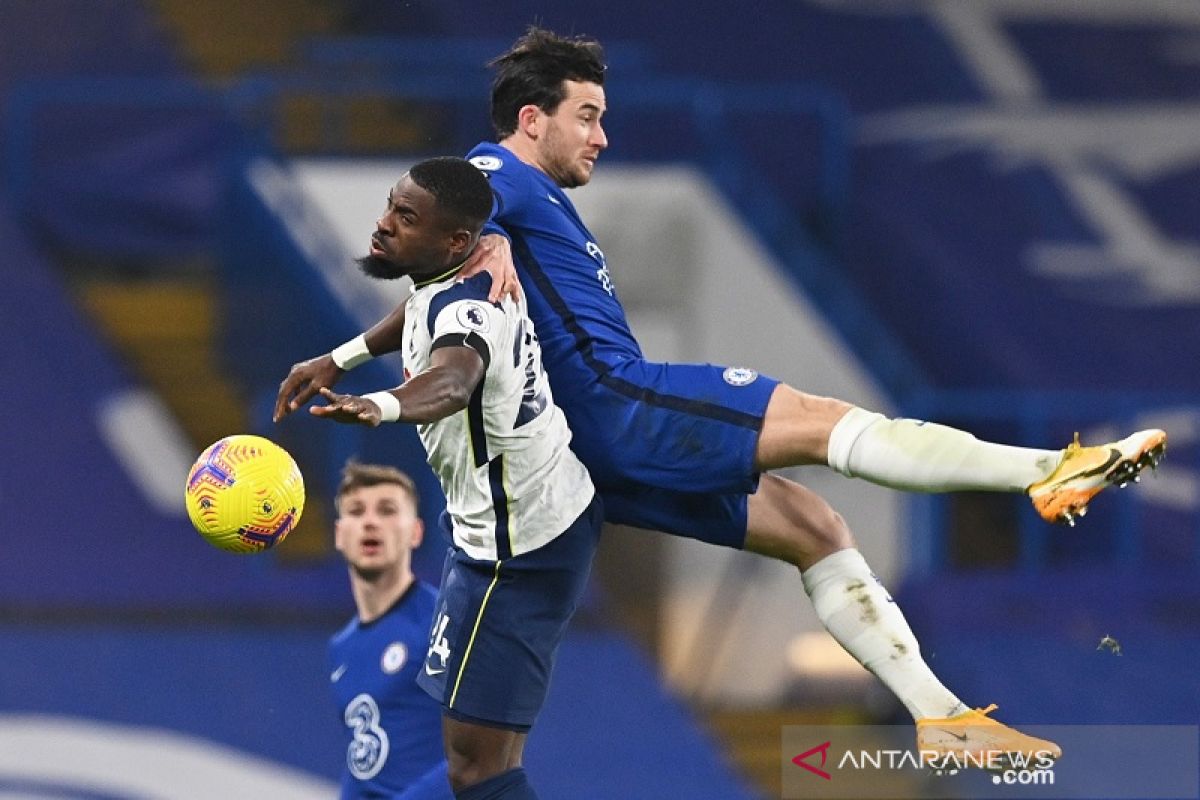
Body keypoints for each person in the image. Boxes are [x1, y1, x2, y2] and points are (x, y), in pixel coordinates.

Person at [276, 28, 1168, 766]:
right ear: (531, 118)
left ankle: (941, 719)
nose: (602, 136)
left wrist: (345, 349)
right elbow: (439, 235)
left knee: (813, 529)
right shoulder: (495, 179)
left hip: (579, 463)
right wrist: (466, 263)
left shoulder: (507, 203)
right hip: (621, 408)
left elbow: (437, 280)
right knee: (827, 424)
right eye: (588, 117)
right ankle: (1049, 472)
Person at [310, 155, 603, 800]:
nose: (383, 225)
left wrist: (380, 403)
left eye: (404, 217)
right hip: (493, 534)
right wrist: (339, 358)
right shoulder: (444, 283)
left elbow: (451, 379)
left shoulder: (472, 306)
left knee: (476, 769)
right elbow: (418, 316)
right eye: (390, 205)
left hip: (524, 540)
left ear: (455, 242)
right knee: (477, 759)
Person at [329, 462, 453, 800]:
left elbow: (482, 755)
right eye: (356, 511)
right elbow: (365, 760)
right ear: (340, 534)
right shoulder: (342, 647)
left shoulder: (443, 623)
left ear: (415, 531)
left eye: (387, 510)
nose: (370, 521)